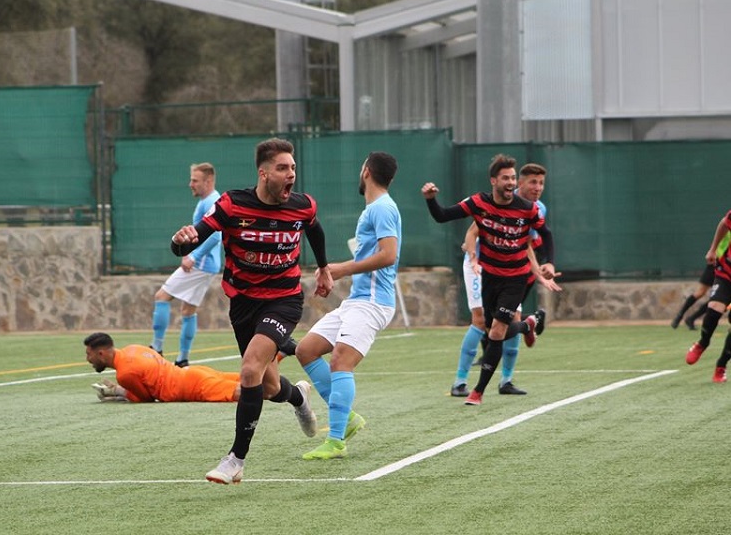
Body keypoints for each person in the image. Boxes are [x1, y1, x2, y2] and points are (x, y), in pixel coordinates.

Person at [170, 137, 334, 484]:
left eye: (293, 168)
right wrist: (179, 241)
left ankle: (235, 461)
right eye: (282, 168)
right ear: (263, 174)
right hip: (243, 303)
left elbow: (315, 229)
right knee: (269, 386)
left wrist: (323, 268)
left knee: (248, 371)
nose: (291, 174)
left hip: (284, 299)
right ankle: (299, 397)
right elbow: (194, 237)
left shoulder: (302, 206)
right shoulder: (233, 205)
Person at [423, 154, 556, 406]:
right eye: (506, 178)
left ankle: (477, 390)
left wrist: (547, 263)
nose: (510, 182)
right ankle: (530, 323)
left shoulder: (529, 209)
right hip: (489, 275)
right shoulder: (479, 203)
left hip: (515, 278)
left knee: (497, 330)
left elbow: (544, 234)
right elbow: (442, 216)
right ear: (493, 180)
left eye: (513, 177)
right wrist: (431, 200)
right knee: (489, 328)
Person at [295, 152, 401, 460]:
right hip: (357, 301)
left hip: (372, 303)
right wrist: (335, 274)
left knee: (341, 360)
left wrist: (340, 269)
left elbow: (388, 255)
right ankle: (349, 418)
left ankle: (337, 440)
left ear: (366, 171)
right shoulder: (374, 208)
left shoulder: (382, 208)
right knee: (307, 350)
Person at [150, 163, 222, 367]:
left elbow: (216, 236)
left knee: (162, 297)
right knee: (188, 310)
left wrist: (193, 256)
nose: (190, 184)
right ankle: (182, 359)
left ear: (208, 181)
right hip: (209, 266)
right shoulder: (210, 200)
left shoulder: (211, 201)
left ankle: (156, 348)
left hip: (201, 264)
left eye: (195, 180)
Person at [84, 332, 242, 402]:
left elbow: (145, 399)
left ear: (101, 354)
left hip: (190, 386)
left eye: (89, 355)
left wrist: (117, 391)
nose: (88, 359)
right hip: (194, 373)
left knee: (246, 392)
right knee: (250, 380)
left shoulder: (124, 373)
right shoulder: (133, 348)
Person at [685, 211, 731, 383]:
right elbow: (724, 223)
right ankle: (702, 343)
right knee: (714, 308)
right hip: (726, 272)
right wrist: (713, 249)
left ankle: (721, 367)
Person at [671, 232, 731, 330]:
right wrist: (713, 252)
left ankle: (692, 318)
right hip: (718, 263)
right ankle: (679, 315)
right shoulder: (727, 226)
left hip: (727, 268)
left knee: (718, 299)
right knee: (700, 292)